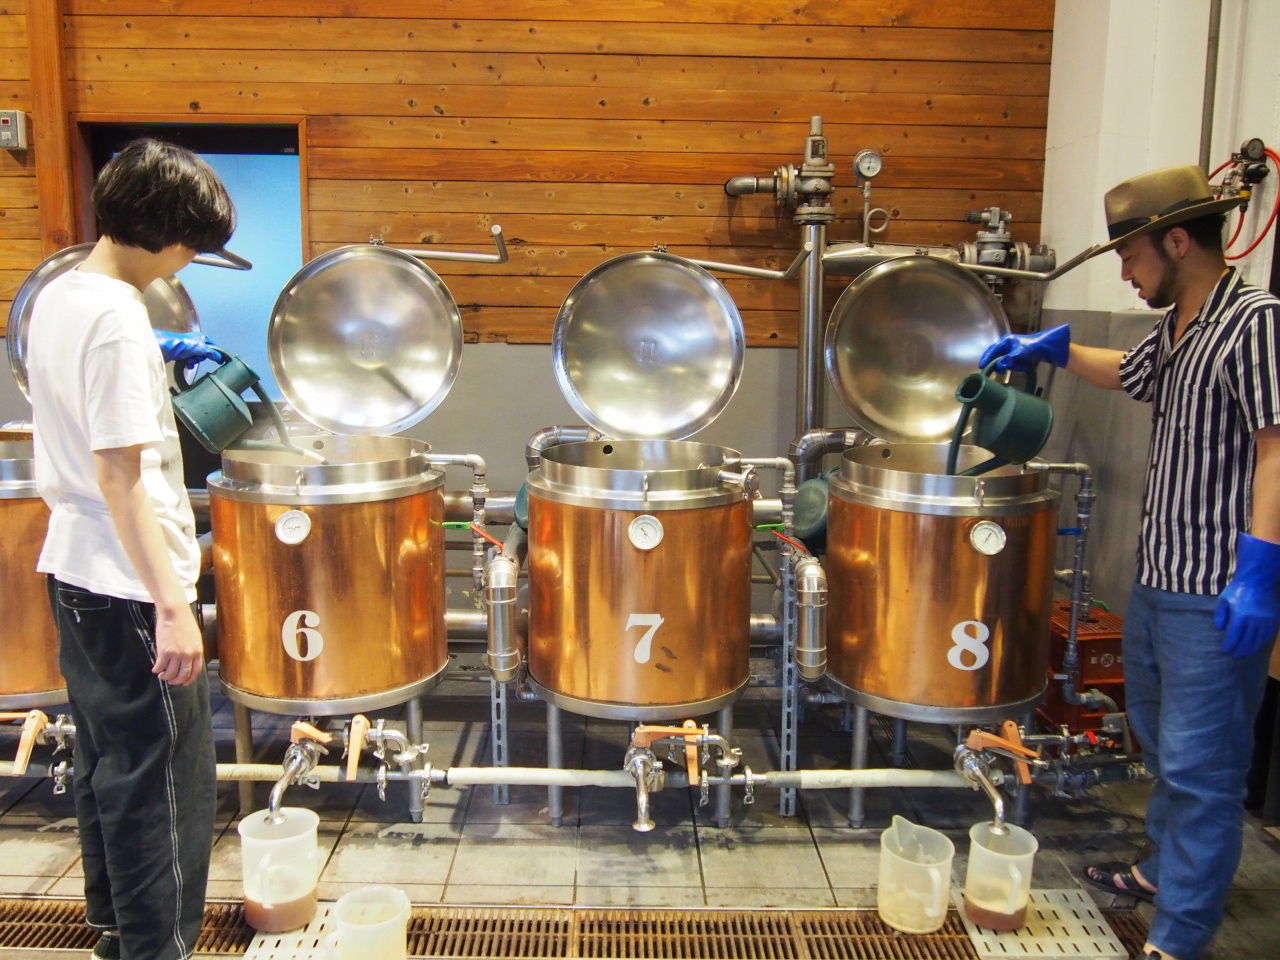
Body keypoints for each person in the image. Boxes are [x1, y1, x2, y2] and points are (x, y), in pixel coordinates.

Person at [982, 164, 1280, 960]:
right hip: (1159, 578)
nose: (1124, 272)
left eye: (1129, 255)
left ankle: (1180, 935)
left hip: (1217, 590)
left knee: (1202, 770)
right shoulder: (1181, 326)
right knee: (1161, 745)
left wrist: (1261, 569)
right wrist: (1054, 348)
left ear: (1177, 241)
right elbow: (1130, 373)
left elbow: (1276, 447)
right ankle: (1161, 871)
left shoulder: (1253, 322)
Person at [27, 139, 235, 960]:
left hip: (74, 568)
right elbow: (120, 479)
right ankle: (158, 949)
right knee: (167, 782)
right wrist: (175, 607)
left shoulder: (60, 292)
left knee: (107, 763)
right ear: (161, 230)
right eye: (189, 244)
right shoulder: (117, 319)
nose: (188, 261)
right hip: (129, 584)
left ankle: (116, 930)